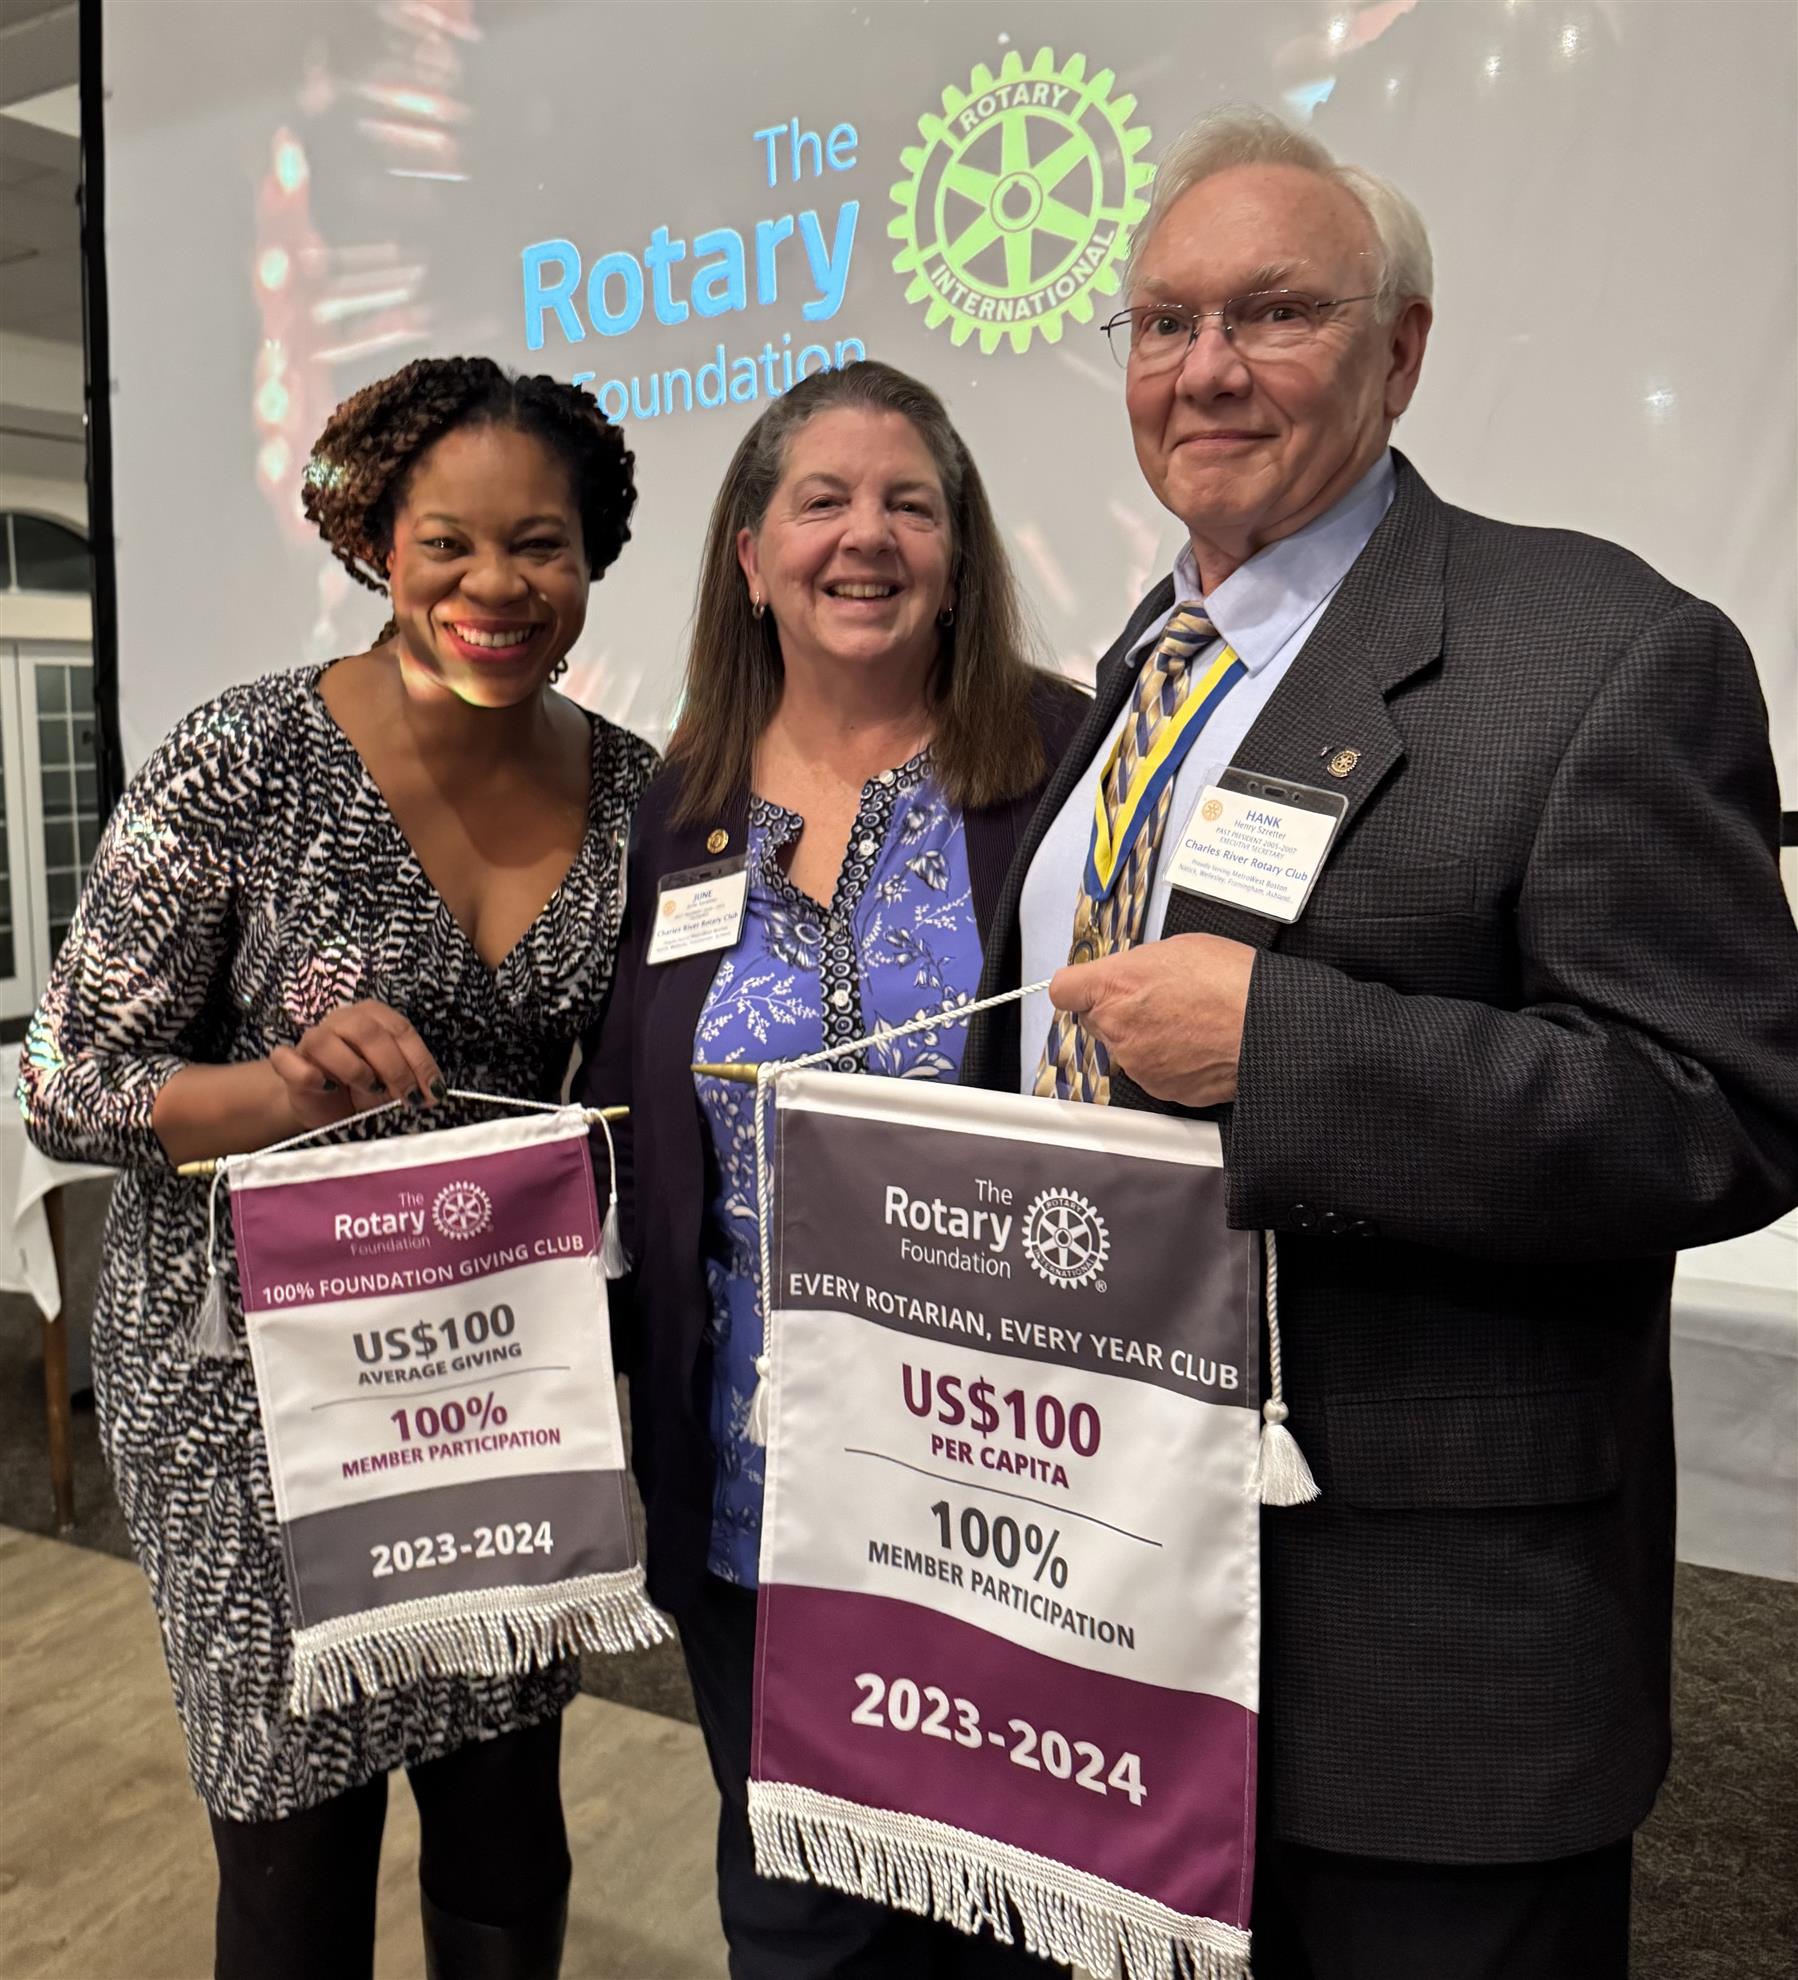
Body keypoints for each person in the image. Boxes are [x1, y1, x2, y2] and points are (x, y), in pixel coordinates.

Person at [959, 107, 1798, 1980]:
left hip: (1423, 1656)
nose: (1205, 369)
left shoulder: (1595, 647)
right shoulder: (1140, 665)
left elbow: (1726, 1109)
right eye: (1162, 322)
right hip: (1115, 1605)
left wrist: (1287, 1050)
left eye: (1273, 313)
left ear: (1400, 350)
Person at [19, 356, 657, 1980]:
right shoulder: (245, 758)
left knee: (506, 1821)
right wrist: (276, 1089)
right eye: (449, 543)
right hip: (251, 1401)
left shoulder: (632, 790)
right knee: (297, 1851)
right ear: (377, 543)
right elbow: (64, 1084)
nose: (495, 586)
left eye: (540, 544)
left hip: (490, 1382)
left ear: (591, 557)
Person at [581, 359, 1087, 1976]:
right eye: (822, 501)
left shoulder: (1066, 765)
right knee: (798, 1910)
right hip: (755, 1489)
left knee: (1015, 1908)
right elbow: (620, 1108)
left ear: (959, 551)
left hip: (1013, 1485)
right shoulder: (672, 812)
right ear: (750, 555)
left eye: (908, 505)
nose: (865, 537)